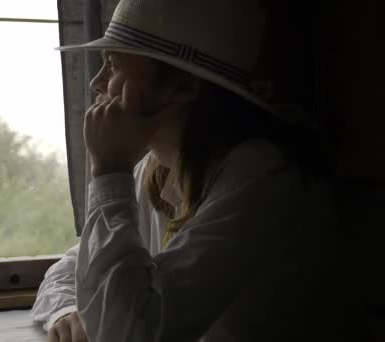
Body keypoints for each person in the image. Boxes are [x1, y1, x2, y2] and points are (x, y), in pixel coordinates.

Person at [31, 0, 345, 341]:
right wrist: (65, 311)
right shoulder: (154, 169)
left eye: (113, 65)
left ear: (183, 88)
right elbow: (68, 271)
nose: (97, 82)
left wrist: (107, 171)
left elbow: (130, 333)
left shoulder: (263, 178)